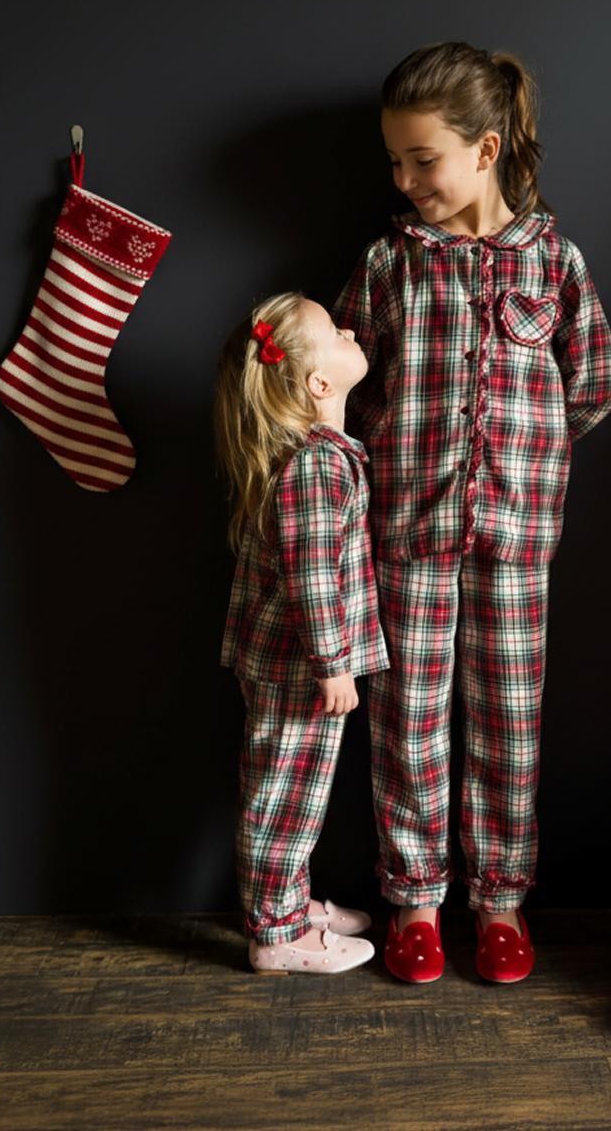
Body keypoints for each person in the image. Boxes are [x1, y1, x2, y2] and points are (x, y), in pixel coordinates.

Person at [333, 42, 611, 984]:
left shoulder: (555, 261)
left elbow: (588, 385)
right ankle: (412, 898)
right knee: (406, 722)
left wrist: (523, 464)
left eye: (424, 159)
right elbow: (340, 388)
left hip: (515, 538)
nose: (406, 179)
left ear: (486, 150)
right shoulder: (388, 264)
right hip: (406, 532)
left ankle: (499, 902)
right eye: (394, 162)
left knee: (507, 720)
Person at [216, 292, 389, 975]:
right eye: (334, 330)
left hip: (296, 663)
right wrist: (332, 663)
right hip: (299, 666)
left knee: (295, 792)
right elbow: (312, 573)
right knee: (284, 797)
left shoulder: (319, 454)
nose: (350, 327)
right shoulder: (314, 466)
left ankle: (286, 903)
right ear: (320, 383)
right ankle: (277, 932)